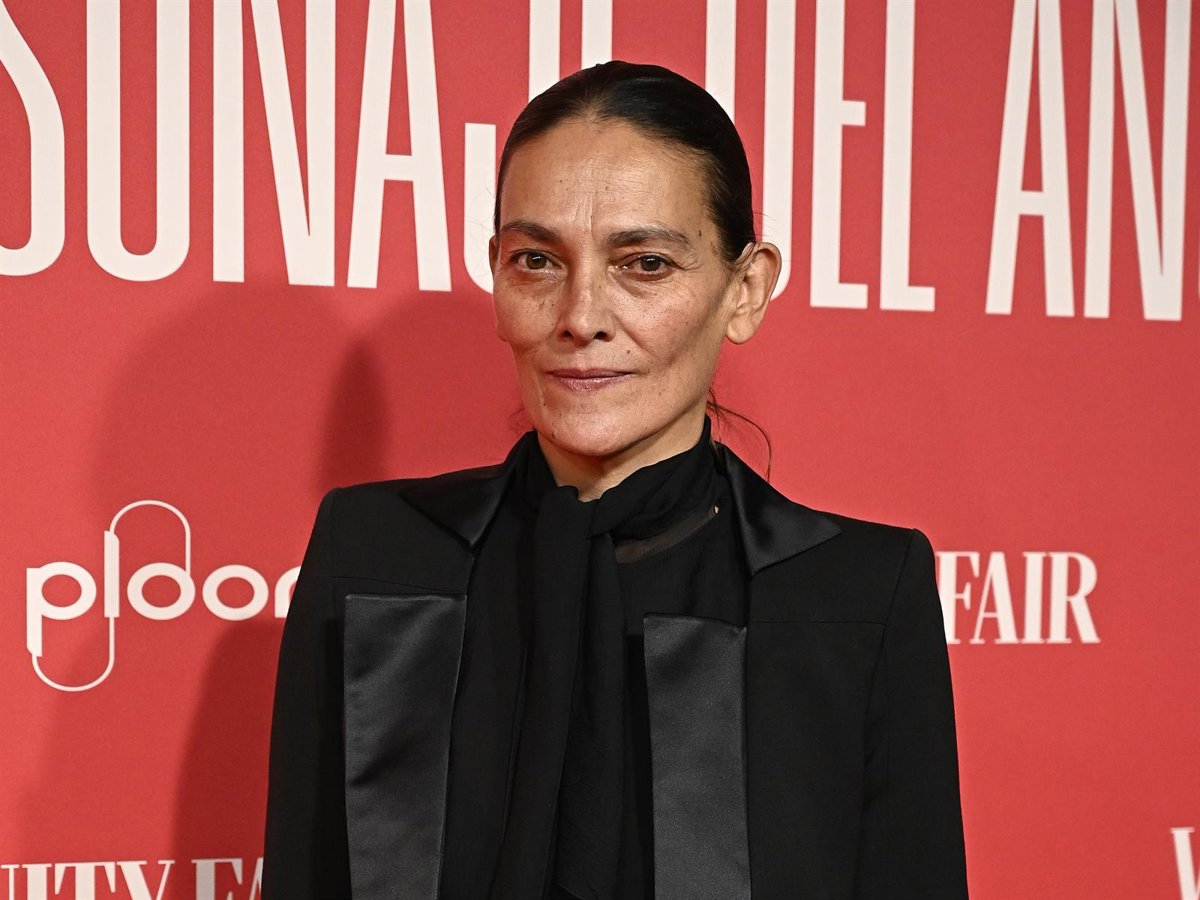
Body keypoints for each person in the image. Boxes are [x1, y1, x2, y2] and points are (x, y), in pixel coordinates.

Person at [262, 60, 968, 900]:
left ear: (744, 290)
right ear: (496, 277)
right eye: (537, 259)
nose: (581, 317)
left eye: (646, 264)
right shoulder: (374, 558)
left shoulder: (856, 596)